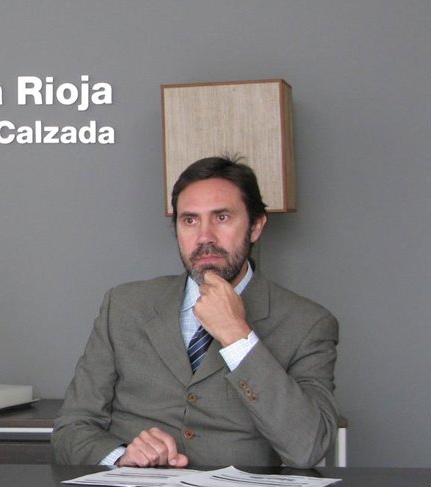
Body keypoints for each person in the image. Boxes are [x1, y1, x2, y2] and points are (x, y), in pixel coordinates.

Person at [53, 156, 338, 469]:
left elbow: (308, 448)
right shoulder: (123, 306)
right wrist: (122, 456)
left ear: (256, 226)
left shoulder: (307, 323)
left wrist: (236, 335)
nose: (205, 238)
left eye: (222, 217)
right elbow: (71, 430)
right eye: (189, 220)